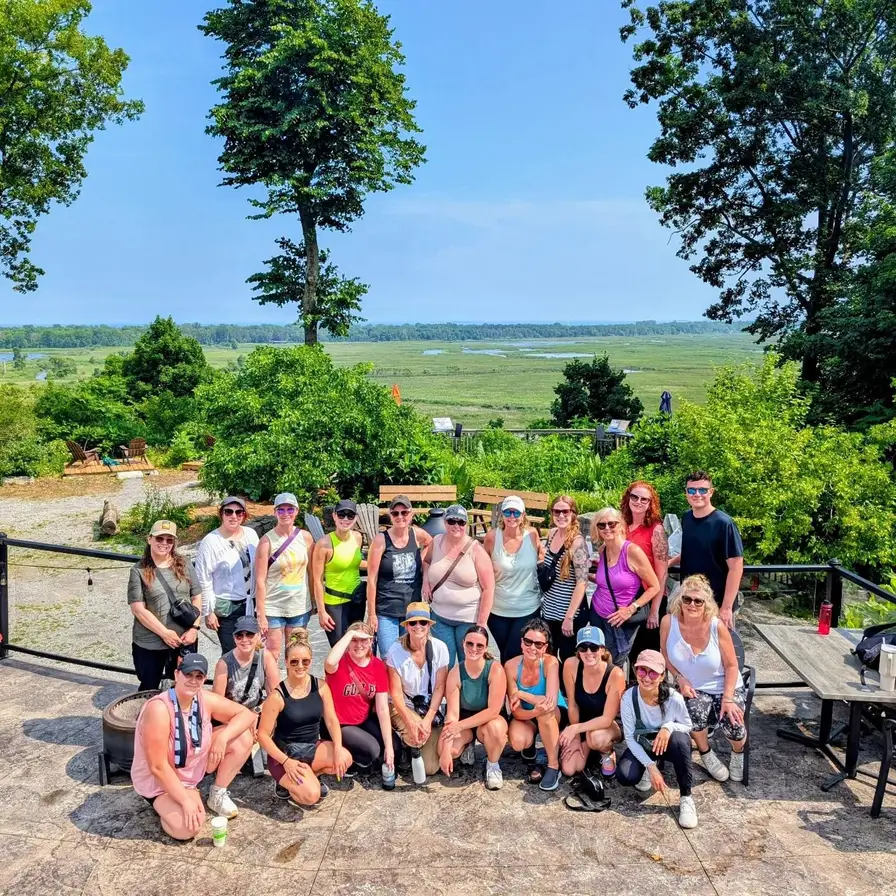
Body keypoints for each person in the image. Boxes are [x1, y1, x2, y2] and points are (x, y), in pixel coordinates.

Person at [131, 653, 255, 839]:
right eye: (188, 674)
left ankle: (217, 792)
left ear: (204, 679)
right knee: (187, 829)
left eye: (199, 676)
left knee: (242, 737)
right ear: (176, 675)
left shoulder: (204, 699)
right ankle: (167, 803)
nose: (193, 681)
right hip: (160, 782)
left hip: (191, 767)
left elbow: (245, 715)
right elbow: (157, 766)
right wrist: (185, 801)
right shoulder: (159, 709)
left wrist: (222, 739)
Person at [660, 574, 747, 783]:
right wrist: (679, 677)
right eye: (687, 599)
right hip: (693, 687)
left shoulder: (716, 626)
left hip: (724, 686)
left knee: (734, 724)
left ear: (706, 604)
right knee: (693, 713)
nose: (692, 604)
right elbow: (664, 654)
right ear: (679, 600)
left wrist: (728, 699)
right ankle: (706, 752)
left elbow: (732, 665)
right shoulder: (668, 622)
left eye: (698, 601)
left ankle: (737, 753)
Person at [256, 630, 352, 807]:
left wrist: (337, 748)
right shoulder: (277, 696)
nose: (300, 666)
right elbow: (262, 735)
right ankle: (290, 783)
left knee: (345, 758)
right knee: (311, 796)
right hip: (285, 754)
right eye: (294, 661)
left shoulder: (320, 686)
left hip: (311, 748)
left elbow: (331, 720)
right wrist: (287, 762)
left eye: (305, 661)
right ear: (286, 663)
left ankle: (309, 776)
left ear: (310, 661)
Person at [617, 650, 698, 829]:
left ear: (662, 677)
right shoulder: (629, 697)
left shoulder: (673, 698)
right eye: (642, 671)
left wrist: (668, 727)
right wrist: (650, 766)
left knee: (680, 740)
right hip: (643, 743)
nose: (646, 678)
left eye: (652, 672)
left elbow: (687, 726)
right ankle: (651, 763)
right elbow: (630, 738)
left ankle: (686, 797)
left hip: (668, 744)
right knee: (625, 775)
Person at [128, 520, 203, 691]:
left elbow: (197, 596)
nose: (164, 543)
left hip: (184, 638)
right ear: (150, 539)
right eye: (160, 538)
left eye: (169, 540)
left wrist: (194, 629)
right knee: (149, 686)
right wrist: (164, 633)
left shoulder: (184, 563)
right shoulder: (138, 570)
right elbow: (138, 609)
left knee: (182, 685)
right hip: (150, 642)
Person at [324, 622, 396, 788]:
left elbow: (382, 708)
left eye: (364, 640)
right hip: (339, 723)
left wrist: (390, 748)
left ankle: (362, 756)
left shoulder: (377, 665)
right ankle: (347, 756)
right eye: (354, 640)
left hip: (362, 720)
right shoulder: (339, 662)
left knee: (394, 749)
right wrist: (350, 634)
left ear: (371, 641)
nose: (359, 645)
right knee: (373, 751)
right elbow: (329, 661)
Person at [423, 504, 495, 667]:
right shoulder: (436, 541)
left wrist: (481, 625)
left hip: (468, 619)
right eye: (451, 521)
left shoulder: (476, 550)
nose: (456, 526)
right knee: (443, 664)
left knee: (469, 664)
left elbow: (489, 588)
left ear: (466, 525)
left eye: (461, 522)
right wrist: (426, 581)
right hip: (439, 616)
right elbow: (426, 561)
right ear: (445, 522)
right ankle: (444, 692)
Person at [589, 507, 660, 669]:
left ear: (621, 525)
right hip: (597, 614)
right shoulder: (603, 550)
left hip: (620, 619)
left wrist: (631, 608)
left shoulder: (632, 552)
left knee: (612, 666)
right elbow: (607, 582)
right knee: (595, 663)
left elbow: (654, 586)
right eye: (602, 525)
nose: (607, 528)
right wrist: (582, 574)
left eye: (612, 524)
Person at [439, 624, 509, 790]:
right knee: (448, 750)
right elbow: (452, 715)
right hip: (464, 723)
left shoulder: (495, 669)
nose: (474, 649)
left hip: (488, 721)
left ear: (486, 648)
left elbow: (493, 710)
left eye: (479, 645)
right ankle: (467, 745)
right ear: (463, 643)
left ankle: (492, 765)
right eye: (470, 644)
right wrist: (446, 751)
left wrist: (459, 726)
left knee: (497, 730)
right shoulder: (455, 672)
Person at [385, 602, 449, 782]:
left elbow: (439, 687)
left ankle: (413, 742)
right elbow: (395, 694)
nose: (418, 627)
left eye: (423, 622)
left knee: (431, 768)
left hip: (428, 707)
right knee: (416, 737)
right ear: (406, 626)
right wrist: (410, 721)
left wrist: (428, 719)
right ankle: (404, 743)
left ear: (429, 625)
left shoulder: (440, 648)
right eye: (413, 623)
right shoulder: (395, 651)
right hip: (403, 705)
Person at [366, 495, 433, 658]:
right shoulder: (381, 540)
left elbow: (431, 543)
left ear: (411, 514)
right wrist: (371, 614)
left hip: (411, 611)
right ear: (390, 515)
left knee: (412, 656)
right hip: (386, 609)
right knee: (389, 657)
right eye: (395, 513)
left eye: (404, 512)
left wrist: (423, 562)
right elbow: (372, 579)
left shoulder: (416, 534)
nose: (400, 517)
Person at [504, 618, 566, 791]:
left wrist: (521, 693)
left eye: (538, 644)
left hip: (555, 713)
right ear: (521, 643)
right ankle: (530, 748)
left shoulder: (550, 662)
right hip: (529, 715)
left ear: (545, 647)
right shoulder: (510, 666)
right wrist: (534, 711)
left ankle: (554, 766)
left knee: (545, 713)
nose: (532, 647)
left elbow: (550, 702)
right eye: (528, 642)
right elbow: (516, 712)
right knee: (517, 741)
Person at [677, 471, 744, 630]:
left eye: (703, 490)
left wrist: (726, 607)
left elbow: (736, 567)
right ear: (686, 493)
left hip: (716, 602)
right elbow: (695, 550)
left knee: (719, 651)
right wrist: (669, 562)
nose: (697, 494)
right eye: (692, 490)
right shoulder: (686, 518)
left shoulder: (724, 523)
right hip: (690, 600)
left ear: (711, 492)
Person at [254, 492, 315, 663]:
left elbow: (311, 572)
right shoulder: (267, 541)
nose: (285, 514)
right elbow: (260, 579)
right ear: (275, 512)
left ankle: (294, 687)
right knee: (272, 651)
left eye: (290, 509)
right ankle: (272, 687)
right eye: (281, 510)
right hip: (274, 605)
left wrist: (314, 599)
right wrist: (261, 613)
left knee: (296, 651)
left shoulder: (306, 538)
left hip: (299, 604)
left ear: (296, 511)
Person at [558, 625, 625, 779]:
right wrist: (575, 737)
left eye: (593, 647)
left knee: (596, 738)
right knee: (569, 769)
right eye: (583, 648)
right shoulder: (570, 665)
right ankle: (590, 748)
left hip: (609, 724)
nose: (588, 653)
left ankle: (607, 752)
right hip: (583, 723)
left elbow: (607, 719)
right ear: (578, 651)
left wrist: (574, 729)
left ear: (602, 650)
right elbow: (573, 704)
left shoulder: (615, 674)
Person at [484, 495, 544, 662]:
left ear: (523, 515)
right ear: (501, 514)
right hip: (497, 609)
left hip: (527, 607)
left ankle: (511, 687)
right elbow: (483, 568)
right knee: (504, 654)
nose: (512, 517)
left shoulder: (532, 535)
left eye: (516, 513)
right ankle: (505, 686)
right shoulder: (492, 537)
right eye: (508, 512)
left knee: (515, 653)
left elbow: (541, 557)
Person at [195, 496, 259, 654]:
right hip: (227, 607)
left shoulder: (251, 534)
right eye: (229, 511)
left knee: (252, 652)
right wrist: (208, 611)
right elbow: (203, 579)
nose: (234, 516)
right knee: (232, 653)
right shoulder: (211, 542)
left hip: (251, 604)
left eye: (239, 512)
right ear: (221, 514)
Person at [539, 495, 590, 661]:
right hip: (549, 610)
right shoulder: (552, 534)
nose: (561, 516)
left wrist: (569, 617)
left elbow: (582, 583)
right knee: (548, 658)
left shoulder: (577, 543)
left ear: (573, 514)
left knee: (568, 660)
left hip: (568, 614)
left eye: (565, 511)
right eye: (556, 511)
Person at [311, 499, 366, 647]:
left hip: (356, 601)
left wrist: (379, 565)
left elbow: (354, 562)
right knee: (339, 650)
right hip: (335, 603)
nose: (345, 519)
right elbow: (317, 580)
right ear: (334, 516)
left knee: (357, 647)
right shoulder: (324, 544)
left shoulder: (358, 538)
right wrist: (321, 611)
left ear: (355, 518)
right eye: (342, 515)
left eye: (350, 516)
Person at [621, 481, 669, 634]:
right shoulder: (621, 525)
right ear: (628, 498)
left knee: (645, 653)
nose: (638, 502)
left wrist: (654, 611)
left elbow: (662, 574)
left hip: (648, 596)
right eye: (634, 497)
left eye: (644, 499)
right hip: (624, 594)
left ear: (650, 503)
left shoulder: (656, 530)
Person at [211, 615, 279, 712]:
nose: (244, 640)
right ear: (234, 638)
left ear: (259, 635)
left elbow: (275, 694)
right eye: (239, 635)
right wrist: (243, 717)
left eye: (250, 634)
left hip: (256, 710)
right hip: (231, 713)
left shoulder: (266, 657)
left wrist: (257, 711)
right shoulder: (224, 663)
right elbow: (218, 702)